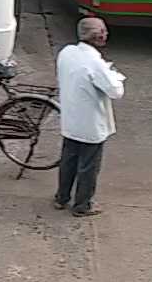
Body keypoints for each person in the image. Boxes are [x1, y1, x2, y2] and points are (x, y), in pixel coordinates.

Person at [53, 17, 125, 218]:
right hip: (90, 123)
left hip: (71, 117)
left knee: (68, 159)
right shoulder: (95, 63)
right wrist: (116, 76)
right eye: (103, 31)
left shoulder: (67, 53)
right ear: (98, 37)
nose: (106, 34)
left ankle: (61, 198)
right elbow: (115, 91)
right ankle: (82, 205)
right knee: (88, 166)